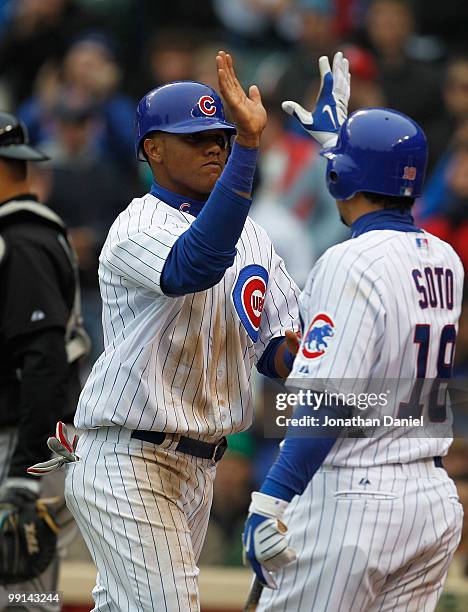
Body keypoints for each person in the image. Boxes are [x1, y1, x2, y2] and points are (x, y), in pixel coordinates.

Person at [57, 51, 300, 611]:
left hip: (199, 466)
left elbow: (279, 354)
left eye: (221, 135)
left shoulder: (256, 237)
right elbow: (195, 264)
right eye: (196, 138)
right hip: (127, 457)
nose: (216, 145)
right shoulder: (135, 224)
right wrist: (249, 148)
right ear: (153, 149)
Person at [243, 56, 465, 611]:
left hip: (355, 496)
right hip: (431, 500)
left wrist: (274, 495)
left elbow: (329, 399)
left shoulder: (349, 261)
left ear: (341, 177)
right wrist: (341, 144)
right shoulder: (447, 259)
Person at [0, 112, 88, 608]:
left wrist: (21, 479)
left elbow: (45, 361)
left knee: (21, 598)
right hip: (25, 439)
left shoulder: (22, 240)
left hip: (22, 443)